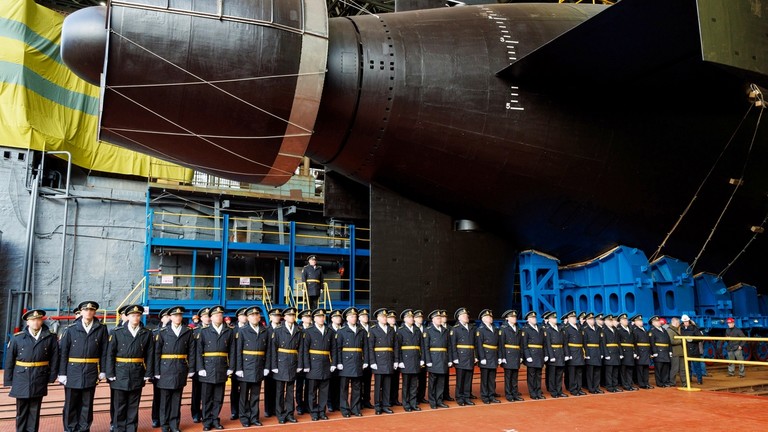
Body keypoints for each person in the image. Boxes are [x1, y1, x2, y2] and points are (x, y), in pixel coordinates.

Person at [4, 309, 59, 432]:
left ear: (42, 321)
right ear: (27, 322)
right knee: (21, 410)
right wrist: (8, 380)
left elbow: (55, 358)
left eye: (38, 319)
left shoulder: (50, 337)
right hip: (21, 377)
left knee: (35, 410)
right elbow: (9, 360)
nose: (36, 322)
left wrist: (52, 377)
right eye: (32, 320)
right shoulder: (17, 338)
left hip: (39, 376)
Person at [59, 301, 109, 432]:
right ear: (81, 312)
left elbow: (104, 351)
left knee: (87, 403)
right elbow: (63, 352)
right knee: (71, 403)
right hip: (72, 370)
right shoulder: (70, 329)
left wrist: (103, 370)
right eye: (86, 310)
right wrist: (62, 373)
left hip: (91, 370)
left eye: (91, 310)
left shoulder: (101, 328)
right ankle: (70, 428)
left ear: (94, 312)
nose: (88, 312)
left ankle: (84, 428)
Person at [106, 304, 154, 432]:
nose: (136, 318)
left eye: (138, 315)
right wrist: (110, 373)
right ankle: (118, 428)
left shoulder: (146, 333)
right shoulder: (117, 332)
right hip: (120, 371)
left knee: (134, 404)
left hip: (137, 371)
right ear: (127, 317)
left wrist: (148, 373)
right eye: (133, 315)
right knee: (119, 404)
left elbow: (150, 354)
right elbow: (110, 354)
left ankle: (131, 428)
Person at [154, 306, 195, 432]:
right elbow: (156, 353)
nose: (178, 317)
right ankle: (165, 425)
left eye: (180, 315)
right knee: (165, 399)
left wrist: (191, 369)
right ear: (170, 317)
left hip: (180, 368)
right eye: (175, 315)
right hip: (165, 368)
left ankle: (174, 424)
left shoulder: (187, 331)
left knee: (177, 399)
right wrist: (156, 371)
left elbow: (191, 351)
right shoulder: (162, 331)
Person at [196, 305, 235, 431]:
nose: (219, 316)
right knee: (207, 397)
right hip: (207, 368)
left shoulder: (228, 331)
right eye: (216, 315)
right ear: (211, 317)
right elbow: (198, 351)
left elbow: (232, 351)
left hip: (222, 367)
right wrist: (200, 367)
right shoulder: (204, 331)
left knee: (219, 397)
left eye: (221, 314)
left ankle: (215, 419)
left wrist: (231, 366)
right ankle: (206, 421)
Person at [235, 305, 270, 427]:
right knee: (244, 396)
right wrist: (238, 368)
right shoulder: (242, 330)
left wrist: (267, 366)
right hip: (245, 366)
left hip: (259, 366)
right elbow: (238, 351)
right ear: (248, 318)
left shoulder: (264, 330)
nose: (255, 317)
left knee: (255, 395)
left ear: (259, 316)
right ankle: (244, 418)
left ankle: (254, 417)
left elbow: (268, 351)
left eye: (256, 315)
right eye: (252, 315)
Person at [270, 307, 304, 424]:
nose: (292, 317)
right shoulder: (278, 330)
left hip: (292, 362)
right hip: (281, 362)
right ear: (284, 317)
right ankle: (280, 414)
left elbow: (301, 349)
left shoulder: (298, 330)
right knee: (279, 391)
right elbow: (273, 349)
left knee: (290, 391)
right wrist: (274, 365)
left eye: (293, 315)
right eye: (289, 315)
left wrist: (300, 364)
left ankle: (290, 413)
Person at [302, 308, 336, 419]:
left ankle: (322, 411)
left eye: (323, 316)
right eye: (319, 317)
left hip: (326, 364)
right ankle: (314, 411)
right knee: (312, 391)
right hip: (313, 364)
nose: (321, 318)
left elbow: (334, 349)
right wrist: (306, 365)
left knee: (324, 390)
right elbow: (305, 350)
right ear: (314, 318)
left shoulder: (329, 331)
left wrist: (333, 363)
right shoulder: (308, 331)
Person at [335, 307, 368, 418]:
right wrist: (339, 362)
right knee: (343, 388)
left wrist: (365, 360)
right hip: (345, 362)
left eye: (355, 316)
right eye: (351, 316)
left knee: (357, 387)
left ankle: (355, 408)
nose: (354, 318)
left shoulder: (361, 331)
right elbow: (338, 348)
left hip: (358, 361)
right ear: (347, 318)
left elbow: (365, 347)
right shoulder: (341, 331)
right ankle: (344, 409)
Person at [369, 308, 397, 414]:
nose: (385, 318)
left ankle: (385, 405)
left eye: (386, 316)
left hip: (389, 359)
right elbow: (370, 347)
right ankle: (377, 406)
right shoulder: (373, 329)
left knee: (387, 385)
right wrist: (373, 362)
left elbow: (395, 346)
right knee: (378, 385)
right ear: (378, 318)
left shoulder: (391, 329)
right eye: (382, 317)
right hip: (378, 360)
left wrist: (396, 360)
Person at [396, 309, 424, 411]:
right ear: (404, 319)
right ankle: (406, 403)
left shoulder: (417, 330)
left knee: (414, 384)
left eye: (412, 317)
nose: (411, 319)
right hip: (406, 360)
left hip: (416, 359)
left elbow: (422, 345)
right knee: (406, 384)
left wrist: (422, 358)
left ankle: (413, 403)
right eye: (409, 317)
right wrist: (400, 361)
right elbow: (397, 347)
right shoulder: (400, 330)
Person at [424, 309, 451, 409]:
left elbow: (449, 346)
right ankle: (432, 401)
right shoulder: (428, 330)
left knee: (441, 381)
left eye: (440, 318)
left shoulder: (445, 330)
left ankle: (439, 400)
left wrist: (449, 359)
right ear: (433, 319)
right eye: (438, 318)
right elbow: (426, 347)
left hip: (443, 357)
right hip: (433, 358)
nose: (440, 320)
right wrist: (428, 360)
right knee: (433, 382)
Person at [450, 307, 476, 406]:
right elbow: (453, 344)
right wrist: (455, 358)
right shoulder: (455, 329)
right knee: (460, 379)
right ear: (459, 317)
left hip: (469, 356)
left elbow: (474, 344)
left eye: (467, 315)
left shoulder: (471, 328)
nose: (467, 317)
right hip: (460, 357)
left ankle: (466, 397)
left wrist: (475, 356)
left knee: (468, 379)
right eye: (464, 315)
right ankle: (459, 397)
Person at [474, 309, 500, 404]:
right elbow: (479, 345)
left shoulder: (495, 328)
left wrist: (499, 356)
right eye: (489, 317)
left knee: (492, 378)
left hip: (493, 355)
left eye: (491, 317)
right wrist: (482, 358)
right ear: (483, 318)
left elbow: (498, 344)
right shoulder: (480, 330)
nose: (491, 318)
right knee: (485, 378)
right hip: (485, 355)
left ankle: (491, 395)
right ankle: (485, 396)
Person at [190, 307, 210, 423]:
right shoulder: (195, 331)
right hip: (198, 366)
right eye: (205, 316)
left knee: (208, 392)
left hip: (211, 366)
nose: (207, 319)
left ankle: (206, 413)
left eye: (208, 316)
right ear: (201, 318)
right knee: (196, 392)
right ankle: (196, 413)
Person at [151, 308, 170, 428]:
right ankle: (156, 418)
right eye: (166, 316)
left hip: (169, 369)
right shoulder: (155, 332)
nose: (169, 318)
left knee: (167, 396)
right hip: (157, 368)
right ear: (162, 318)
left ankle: (166, 418)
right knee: (157, 396)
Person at [499, 309, 524, 402]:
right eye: (512, 317)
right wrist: (502, 357)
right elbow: (501, 344)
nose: (514, 318)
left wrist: (521, 355)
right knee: (508, 376)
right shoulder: (504, 329)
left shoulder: (517, 328)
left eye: (515, 317)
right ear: (507, 318)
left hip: (516, 354)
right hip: (508, 355)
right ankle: (509, 394)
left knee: (515, 377)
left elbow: (520, 343)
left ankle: (515, 393)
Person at [521, 311, 546, 399]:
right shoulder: (526, 329)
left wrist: (545, 354)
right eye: (532, 318)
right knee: (531, 375)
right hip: (531, 354)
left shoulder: (539, 328)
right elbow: (524, 344)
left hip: (539, 354)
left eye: (535, 318)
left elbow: (544, 343)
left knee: (538, 375)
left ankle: (538, 391)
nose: (534, 319)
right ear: (528, 320)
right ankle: (532, 393)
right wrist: (527, 356)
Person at [230, 307, 248, 421]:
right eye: (242, 315)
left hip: (246, 364)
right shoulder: (232, 330)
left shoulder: (249, 329)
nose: (244, 317)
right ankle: (234, 411)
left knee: (245, 389)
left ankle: (245, 410)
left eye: (246, 315)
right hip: (235, 363)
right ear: (238, 317)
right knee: (234, 389)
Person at [263, 308, 282, 418]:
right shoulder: (266, 330)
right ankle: (268, 409)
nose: (276, 317)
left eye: (278, 316)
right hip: (268, 362)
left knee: (278, 387)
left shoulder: (282, 329)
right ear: (270, 317)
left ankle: (277, 408)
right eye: (274, 316)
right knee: (268, 386)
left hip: (280, 362)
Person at [543, 311, 566, 398]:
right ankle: (553, 391)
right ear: (549, 319)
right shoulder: (547, 329)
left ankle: (559, 390)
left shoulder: (559, 328)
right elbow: (547, 344)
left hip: (560, 353)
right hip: (553, 353)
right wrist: (551, 356)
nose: (555, 319)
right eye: (553, 318)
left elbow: (563, 342)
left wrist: (565, 354)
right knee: (552, 375)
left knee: (559, 374)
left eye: (555, 318)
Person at [295, 309, 313, 416]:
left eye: (310, 317)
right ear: (302, 318)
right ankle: (299, 405)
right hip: (298, 361)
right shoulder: (298, 329)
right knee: (299, 385)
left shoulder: (313, 329)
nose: (308, 319)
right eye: (306, 317)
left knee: (309, 385)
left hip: (311, 361)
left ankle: (307, 404)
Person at [563, 311, 585, 396]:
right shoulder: (567, 328)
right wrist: (568, 354)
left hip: (579, 351)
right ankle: (573, 389)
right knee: (572, 372)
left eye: (575, 317)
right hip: (572, 352)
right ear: (568, 319)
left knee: (579, 372)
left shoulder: (578, 327)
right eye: (572, 318)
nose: (574, 319)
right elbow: (565, 343)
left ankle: (579, 388)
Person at [649, 315, 672, 387]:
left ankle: (665, 381)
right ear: (653, 323)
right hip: (659, 352)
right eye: (656, 321)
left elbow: (668, 341)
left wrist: (670, 351)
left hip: (665, 351)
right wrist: (654, 352)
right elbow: (652, 342)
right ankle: (659, 383)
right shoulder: (652, 331)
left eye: (658, 321)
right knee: (659, 369)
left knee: (665, 368)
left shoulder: (664, 330)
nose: (659, 322)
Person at [358, 308, 375, 409]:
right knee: (359, 381)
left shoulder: (372, 327)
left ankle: (367, 400)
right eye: (363, 316)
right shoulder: (358, 328)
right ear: (359, 318)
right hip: (361, 358)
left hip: (370, 357)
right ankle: (359, 400)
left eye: (366, 316)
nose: (366, 317)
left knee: (368, 381)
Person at [582, 313, 603, 394]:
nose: (592, 321)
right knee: (590, 372)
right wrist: (586, 354)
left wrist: (601, 352)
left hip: (597, 351)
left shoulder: (597, 328)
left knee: (597, 371)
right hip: (590, 352)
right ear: (587, 320)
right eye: (590, 319)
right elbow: (584, 343)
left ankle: (596, 387)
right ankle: (591, 388)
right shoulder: (585, 329)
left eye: (593, 319)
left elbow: (601, 342)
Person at [328, 309, 344, 412]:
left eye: (339, 317)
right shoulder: (329, 330)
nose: (338, 319)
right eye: (336, 317)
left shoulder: (343, 329)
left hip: (342, 360)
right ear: (332, 319)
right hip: (330, 359)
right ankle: (330, 403)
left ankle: (337, 403)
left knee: (339, 383)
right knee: (330, 384)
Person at [600, 314, 622, 392]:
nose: (611, 322)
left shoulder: (615, 329)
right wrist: (606, 354)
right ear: (605, 321)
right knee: (609, 372)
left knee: (615, 371)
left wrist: (621, 353)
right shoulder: (603, 330)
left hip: (615, 352)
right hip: (609, 352)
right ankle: (609, 386)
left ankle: (615, 385)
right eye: (610, 320)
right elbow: (603, 343)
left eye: (612, 320)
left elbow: (618, 342)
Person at [680, 314, 704, 384]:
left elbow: (700, 338)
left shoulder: (694, 328)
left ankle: (699, 380)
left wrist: (692, 339)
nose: (686, 323)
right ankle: (689, 379)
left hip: (694, 351)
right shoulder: (681, 329)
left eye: (687, 321)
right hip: (685, 350)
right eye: (684, 322)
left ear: (689, 321)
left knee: (697, 366)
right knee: (687, 367)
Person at [631, 314, 653, 389]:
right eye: (639, 320)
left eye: (641, 320)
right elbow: (634, 342)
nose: (641, 322)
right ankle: (641, 383)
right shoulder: (634, 330)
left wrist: (650, 352)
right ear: (635, 322)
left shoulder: (644, 329)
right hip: (640, 351)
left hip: (646, 350)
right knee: (640, 368)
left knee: (646, 368)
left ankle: (646, 382)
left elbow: (648, 342)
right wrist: (635, 352)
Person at [617, 313, 637, 391]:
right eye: (624, 320)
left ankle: (629, 384)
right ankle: (625, 385)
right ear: (620, 321)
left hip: (630, 351)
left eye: (626, 319)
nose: (626, 321)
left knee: (630, 369)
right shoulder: (618, 330)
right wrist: (621, 353)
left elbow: (633, 342)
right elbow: (618, 342)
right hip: (624, 352)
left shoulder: (630, 329)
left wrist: (634, 351)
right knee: (623, 370)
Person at [386, 310, 402, 407]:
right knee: (387, 380)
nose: (393, 319)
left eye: (393, 318)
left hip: (397, 357)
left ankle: (394, 398)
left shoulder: (399, 329)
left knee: (396, 380)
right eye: (390, 318)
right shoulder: (387, 329)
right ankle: (387, 399)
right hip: (387, 358)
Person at [413, 310, 428, 404]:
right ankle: (415, 398)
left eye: (421, 317)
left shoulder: (426, 328)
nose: (420, 319)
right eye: (418, 317)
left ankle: (421, 396)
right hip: (415, 357)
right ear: (414, 319)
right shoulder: (413, 328)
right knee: (415, 379)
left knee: (423, 379)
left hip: (424, 356)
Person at [666, 316, 684, 386]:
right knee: (675, 369)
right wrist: (682, 340)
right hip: (675, 352)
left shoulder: (675, 330)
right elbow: (672, 341)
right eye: (678, 322)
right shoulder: (670, 330)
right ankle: (672, 382)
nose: (679, 324)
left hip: (680, 352)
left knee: (682, 369)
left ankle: (685, 383)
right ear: (675, 322)